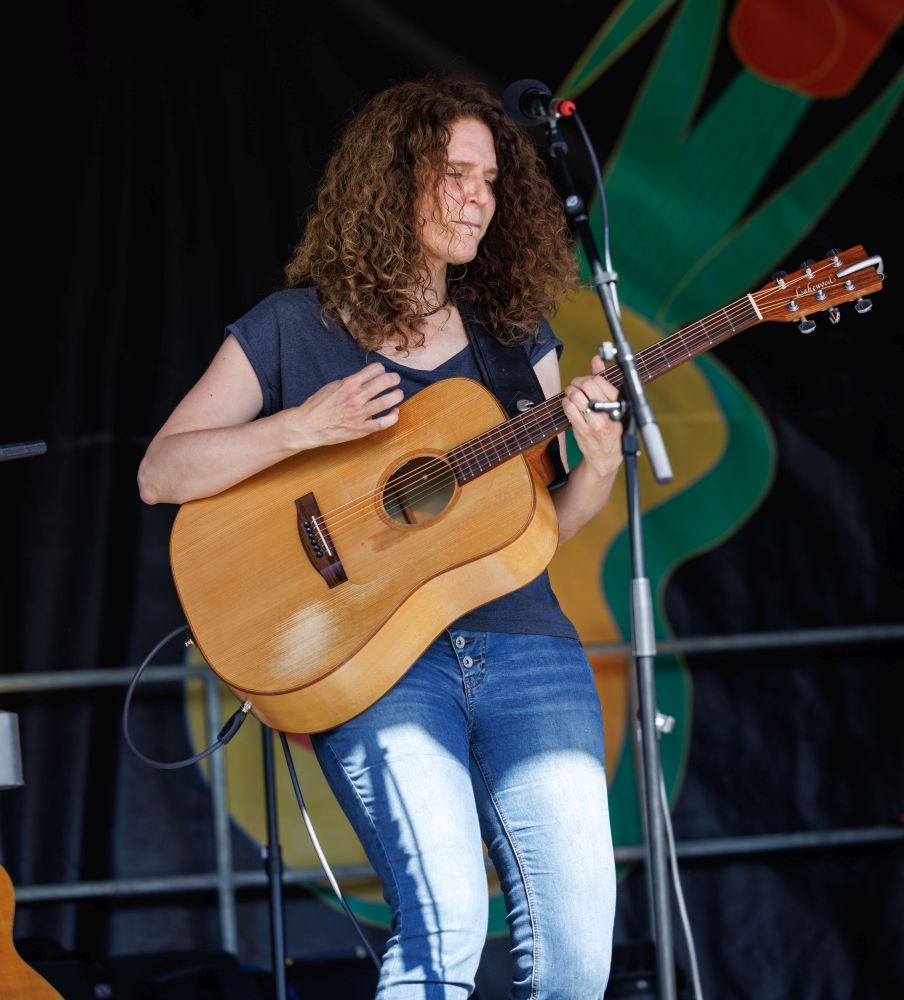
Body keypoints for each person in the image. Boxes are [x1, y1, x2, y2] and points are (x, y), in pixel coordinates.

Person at [139, 77, 622, 999]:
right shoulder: (293, 328)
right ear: (392, 180)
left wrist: (595, 466)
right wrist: (301, 427)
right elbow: (162, 472)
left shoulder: (513, 336)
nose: (480, 197)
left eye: (492, 180)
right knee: (446, 918)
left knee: (576, 951)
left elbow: (540, 528)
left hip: (527, 647)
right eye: (456, 174)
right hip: (376, 661)